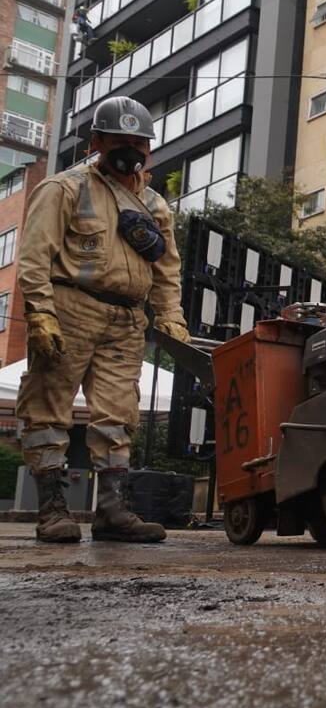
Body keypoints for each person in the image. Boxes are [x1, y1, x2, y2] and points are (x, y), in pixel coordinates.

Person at [17, 96, 191, 544]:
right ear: (96, 141)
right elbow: (35, 256)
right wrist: (40, 312)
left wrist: (171, 317)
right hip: (71, 307)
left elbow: (167, 269)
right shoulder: (65, 188)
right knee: (48, 408)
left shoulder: (154, 204)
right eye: (120, 140)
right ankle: (52, 511)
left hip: (128, 320)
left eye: (139, 142)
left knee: (118, 415)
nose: (130, 149)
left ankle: (112, 511)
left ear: (149, 148)